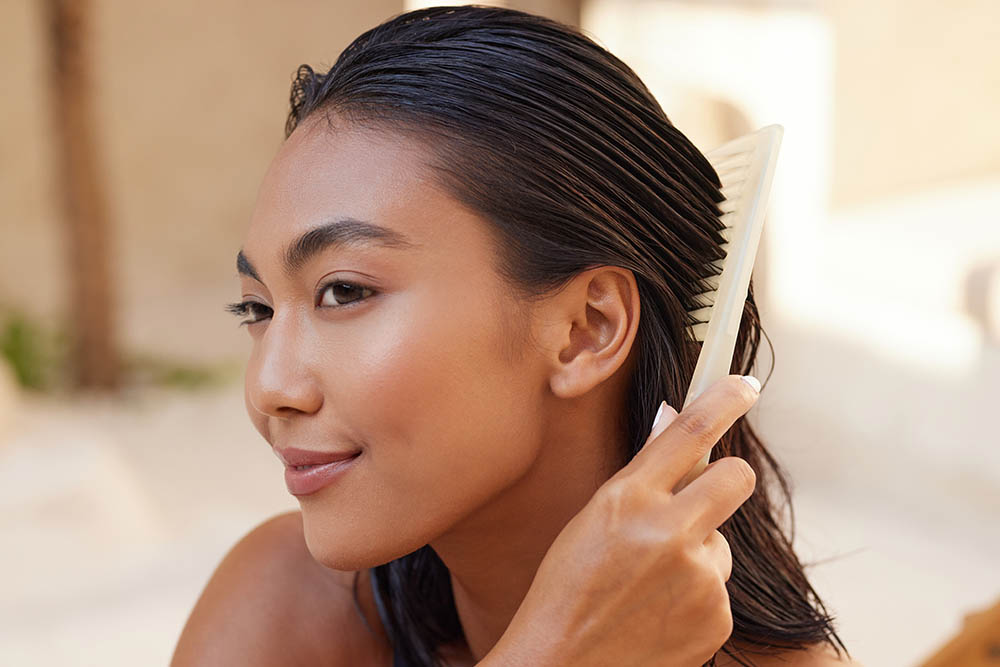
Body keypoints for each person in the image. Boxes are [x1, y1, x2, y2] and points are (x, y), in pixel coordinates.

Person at [172, 5, 855, 666]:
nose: (268, 388)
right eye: (257, 311)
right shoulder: (287, 608)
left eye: (343, 291)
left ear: (587, 329)